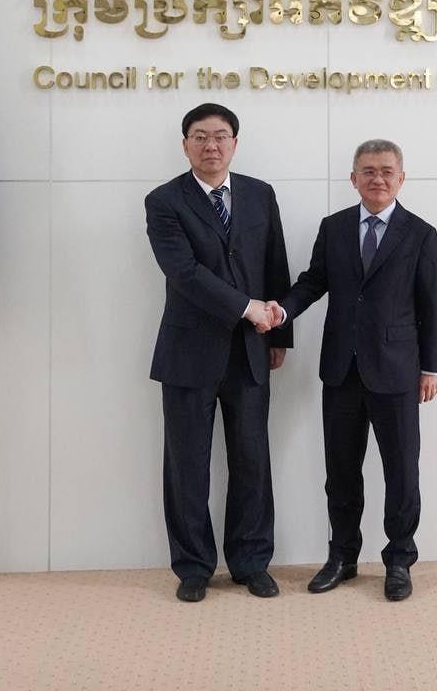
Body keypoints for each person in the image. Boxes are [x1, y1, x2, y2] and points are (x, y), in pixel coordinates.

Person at [270, 139, 437, 601]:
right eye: (368, 171)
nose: (377, 178)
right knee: (341, 471)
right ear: (353, 179)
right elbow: (314, 282)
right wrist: (281, 311)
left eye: (386, 171)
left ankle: (399, 560)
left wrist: (431, 367)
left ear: (401, 178)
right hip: (341, 370)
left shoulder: (420, 234)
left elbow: (433, 305)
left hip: (398, 372)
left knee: (401, 471)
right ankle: (343, 556)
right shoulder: (334, 228)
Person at [145, 103, 292, 602]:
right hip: (188, 351)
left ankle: (251, 562)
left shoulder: (260, 194)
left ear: (235, 142)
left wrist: (278, 335)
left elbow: (275, 262)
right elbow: (183, 272)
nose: (211, 145)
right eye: (201, 136)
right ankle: (193, 567)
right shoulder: (164, 201)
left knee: (252, 459)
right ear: (185, 144)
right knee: (187, 464)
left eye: (221, 136)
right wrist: (247, 308)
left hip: (251, 350)